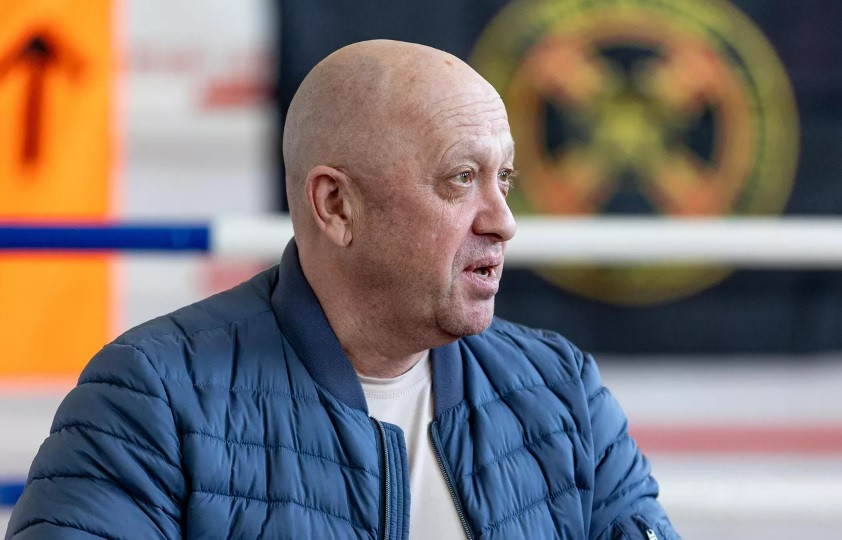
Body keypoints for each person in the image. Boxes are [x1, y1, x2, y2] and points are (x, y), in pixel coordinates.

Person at [6, 40, 678, 539]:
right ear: (335, 205)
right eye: (459, 178)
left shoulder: (561, 391)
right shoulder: (149, 397)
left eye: (502, 179)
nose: (502, 221)